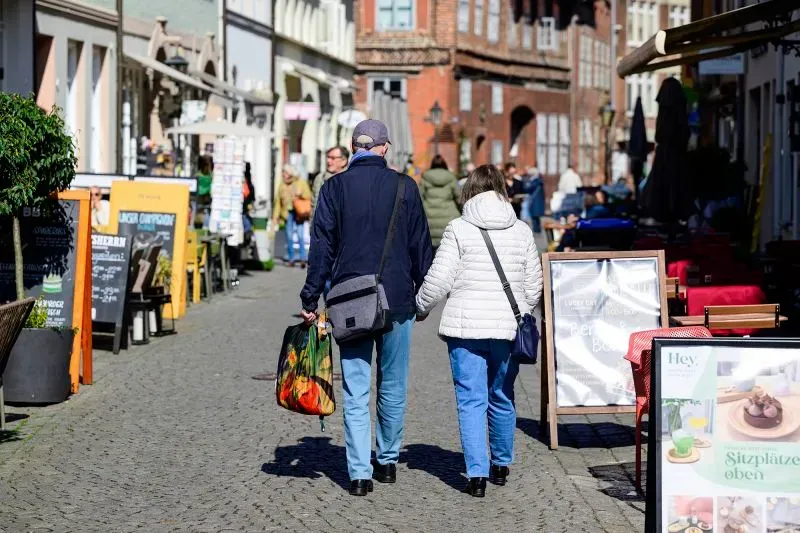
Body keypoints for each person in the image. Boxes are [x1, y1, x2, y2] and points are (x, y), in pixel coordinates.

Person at [300, 119, 433, 497]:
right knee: (392, 384)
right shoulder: (406, 187)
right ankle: (387, 461)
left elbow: (321, 248)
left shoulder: (333, 188)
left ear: (352, 147)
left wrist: (311, 297)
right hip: (397, 302)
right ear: (385, 148)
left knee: (356, 389)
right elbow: (421, 247)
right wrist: (423, 297)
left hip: (349, 302)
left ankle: (359, 474)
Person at [415, 164, 543, 497]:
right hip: (507, 328)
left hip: (465, 327)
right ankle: (501, 463)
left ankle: (476, 475)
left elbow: (440, 278)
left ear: (469, 190)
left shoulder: (459, 228)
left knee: (471, 400)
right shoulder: (522, 230)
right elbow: (533, 285)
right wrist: (522, 312)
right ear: (502, 189)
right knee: (502, 395)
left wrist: (421, 306)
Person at [272, 164, 312, 268]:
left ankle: (303, 258)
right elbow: (278, 203)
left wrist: (300, 194)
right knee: (289, 236)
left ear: (290, 173)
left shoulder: (300, 182)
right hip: (287, 213)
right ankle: (291, 259)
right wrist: (275, 217)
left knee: (300, 236)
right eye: (283, 172)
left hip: (299, 212)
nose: (283, 175)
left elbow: (308, 195)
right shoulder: (282, 185)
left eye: (285, 172)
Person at [420, 155, 460, 248]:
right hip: (449, 219)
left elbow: (419, 197)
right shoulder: (451, 178)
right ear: (445, 165)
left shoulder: (425, 178)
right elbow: (459, 196)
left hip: (429, 220)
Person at [311, 146, 350, 216]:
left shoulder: (351, 179)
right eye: (328, 157)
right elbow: (314, 206)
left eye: (332, 158)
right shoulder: (320, 178)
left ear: (344, 161)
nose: (328, 161)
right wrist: (313, 225)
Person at [524, 166, 545, 233]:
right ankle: (537, 229)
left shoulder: (534, 181)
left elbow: (528, 189)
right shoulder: (539, 181)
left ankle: (536, 230)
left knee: (534, 216)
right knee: (536, 217)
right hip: (538, 201)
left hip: (534, 201)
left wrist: (527, 184)